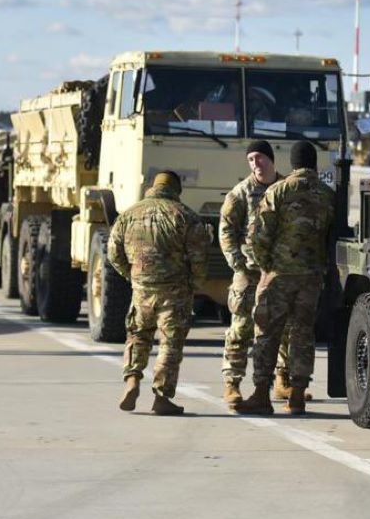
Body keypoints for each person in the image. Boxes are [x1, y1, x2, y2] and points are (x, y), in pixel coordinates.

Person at [237, 141, 335, 415]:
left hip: (279, 276)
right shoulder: (327, 194)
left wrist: (266, 267)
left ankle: (260, 394)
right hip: (311, 278)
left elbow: (257, 235)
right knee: (302, 335)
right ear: (314, 163)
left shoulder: (278, 191)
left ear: (292, 163)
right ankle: (297, 395)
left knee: (267, 334)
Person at [108, 171, 207, 416]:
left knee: (138, 336)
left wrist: (132, 275)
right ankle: (162, 397)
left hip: (142, 289)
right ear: (176, 190)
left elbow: (113, 253)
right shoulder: (186, 216)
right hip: (174, 291)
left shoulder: (128, 214)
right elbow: (199, 259)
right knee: (169, 343)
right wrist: (194, 284)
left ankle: (131, 380)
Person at [218, 140, 282, 410]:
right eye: (251, 159)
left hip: (279, 272)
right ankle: (232, 383)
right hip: (250, 271)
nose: (256, 164)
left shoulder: (284, 188)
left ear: (270, 159)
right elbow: (226, 230)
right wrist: (238, 265)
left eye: (260, 158)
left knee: (283, 329)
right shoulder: (240, 193)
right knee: (241, 327)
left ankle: (281, 381)